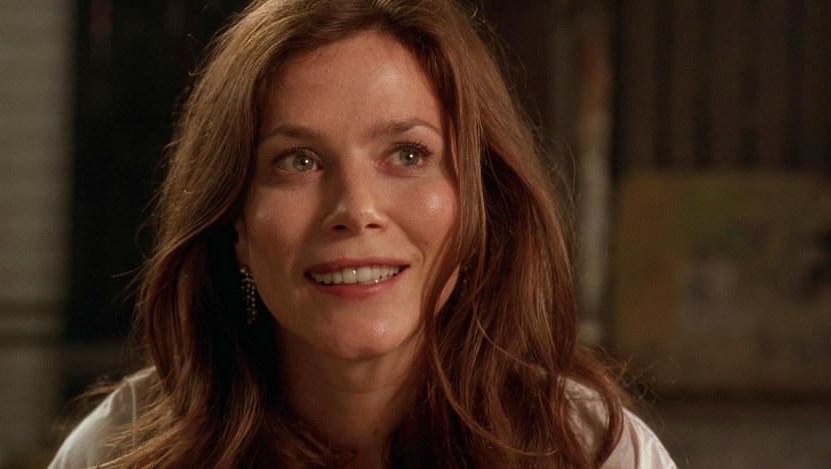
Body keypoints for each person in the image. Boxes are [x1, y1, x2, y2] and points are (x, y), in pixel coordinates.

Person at [50, 0, 676, 467]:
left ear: (479, 203)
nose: (356, 209)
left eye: (408, 154)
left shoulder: (594, 453)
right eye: (297, 161)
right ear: (236, 222)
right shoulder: (117, 453)